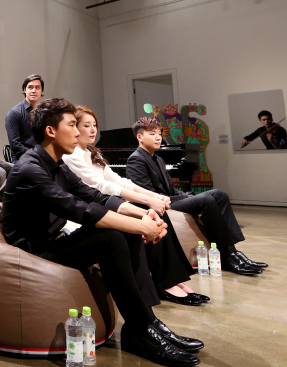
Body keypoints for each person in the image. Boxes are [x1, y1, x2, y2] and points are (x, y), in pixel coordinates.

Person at [2, 98, 203, 367]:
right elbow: (79, 210)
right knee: (111, 237)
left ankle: (145, 324)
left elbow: (93, 196)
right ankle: (142, 328)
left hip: (54, 240)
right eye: (72, 125)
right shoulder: (30, 169)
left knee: (125, 232)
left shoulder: (57, 164)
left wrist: (143, 215)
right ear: (51, 131)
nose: (78, 132)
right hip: (34, 251)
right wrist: (143, 227)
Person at [62, 106, 207, 306]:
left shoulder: (90, 152)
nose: (93, 130)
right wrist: (148, 201)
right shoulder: (72, 155)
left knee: (156, 211)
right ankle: (165, 282)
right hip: (92, 207)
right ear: (76, 129)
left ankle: (174, 278)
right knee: (148, 212)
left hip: (106, 200)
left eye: (95, 125)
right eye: (86, 125)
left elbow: (120, 181)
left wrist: (155, 196)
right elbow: (102, 187)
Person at [126, 117, 268, 276]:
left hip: (169, 200)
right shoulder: (136, 160)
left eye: (159, 133)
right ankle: (227, 256)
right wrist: (185, 198)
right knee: (206, 200)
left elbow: (171, 190)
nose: (158, 137)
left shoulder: (158, 159)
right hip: (159, 207)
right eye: (152, 134)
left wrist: (186, 195)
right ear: (139, 137)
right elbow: (151, 197)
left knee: (219, 194)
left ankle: (232, 251)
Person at [5, 74, 44, 162]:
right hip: (21, 160)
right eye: (30, 87)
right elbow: (15, 146)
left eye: (37, 88)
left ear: (41, 91)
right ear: (24, 90)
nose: (34, 90)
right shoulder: (14, 113)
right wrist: (37, 155)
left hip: (39, 158)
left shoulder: (43, 113)